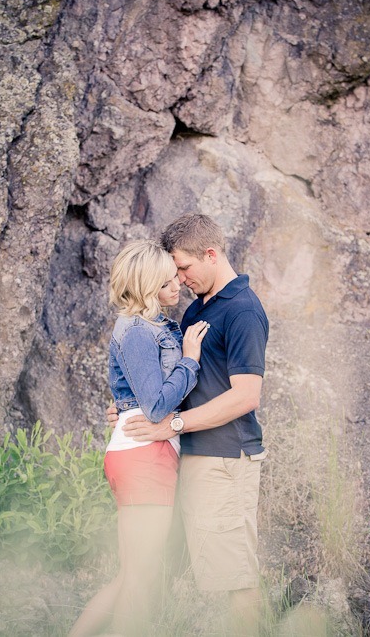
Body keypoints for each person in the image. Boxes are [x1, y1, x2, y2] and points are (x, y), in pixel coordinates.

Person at [110, 214, 269, 637]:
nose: (178, 279)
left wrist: (173, 424)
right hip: (190, 456)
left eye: (183, 267)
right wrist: (131, 408)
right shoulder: (200, 307)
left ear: (211, 255)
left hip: (224, 458)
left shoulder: (243, 310)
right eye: (173, 271)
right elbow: (173, 383)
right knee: (201, 573)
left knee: (234, 577)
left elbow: (246, 396)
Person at [69, 239, 209, 637]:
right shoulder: (134, 331)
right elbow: (156, 406)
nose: (177, 285)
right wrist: (191, 360)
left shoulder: (155, 326)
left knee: (131, 577)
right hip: (145, 455)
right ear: (148, 287)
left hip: (142, 454)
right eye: (167, 282)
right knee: (142, 581)